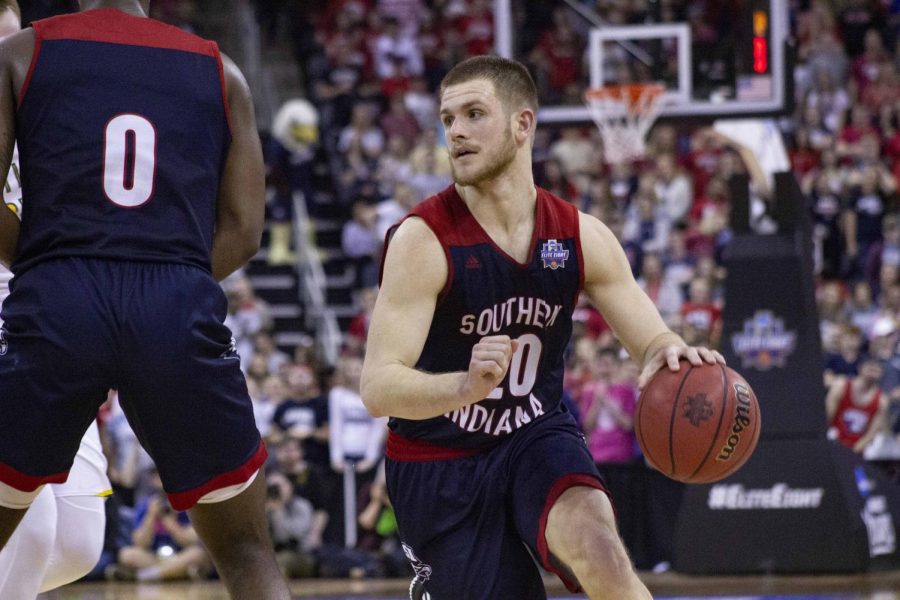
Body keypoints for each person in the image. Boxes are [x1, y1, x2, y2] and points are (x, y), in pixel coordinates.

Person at [360, 55, 723, 599]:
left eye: (474, 113)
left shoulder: (578, 235)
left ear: (522, 124)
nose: (456, 131)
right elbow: (378, 386)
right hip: (441, 463)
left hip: (534, 433)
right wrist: (464, 386)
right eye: (448, 118)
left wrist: (671, 352)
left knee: (600, 550)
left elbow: (651, 338)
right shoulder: (423, 240)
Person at [0, 2, 290, 598]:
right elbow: (244, 228)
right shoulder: (221, 70)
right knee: (246, 554)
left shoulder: (21, 53)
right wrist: (168, 268)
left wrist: (45, 263)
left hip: (61, 295)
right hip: (174, 300)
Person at [0, 2, 111, 597]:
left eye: (9, 44)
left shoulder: (47, 127)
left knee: (77, 543)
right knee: (33, 526)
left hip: (53, 328)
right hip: (19, 328)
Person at [826, 356, 889, 453]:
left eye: (877, 370)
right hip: (832, 442)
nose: (873, 372)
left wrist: (853, 453)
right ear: (860, 368)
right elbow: (827, 418)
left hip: (856, 449)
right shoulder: (841, 386)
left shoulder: (881, 400)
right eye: (871, 368)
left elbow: (871, 434)